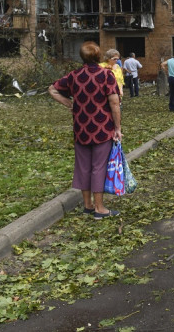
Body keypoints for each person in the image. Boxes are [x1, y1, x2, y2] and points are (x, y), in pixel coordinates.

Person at [48, 41, 122, 219]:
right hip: (102, 128)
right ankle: (99, 209)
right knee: (98, 167)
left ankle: (87, 205)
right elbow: (114, 103)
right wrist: (118, 128)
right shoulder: (106, 75)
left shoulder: (74, 76)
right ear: (98, 57)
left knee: (83, 166)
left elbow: (52, 89)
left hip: (80, 129)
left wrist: (67, 102)